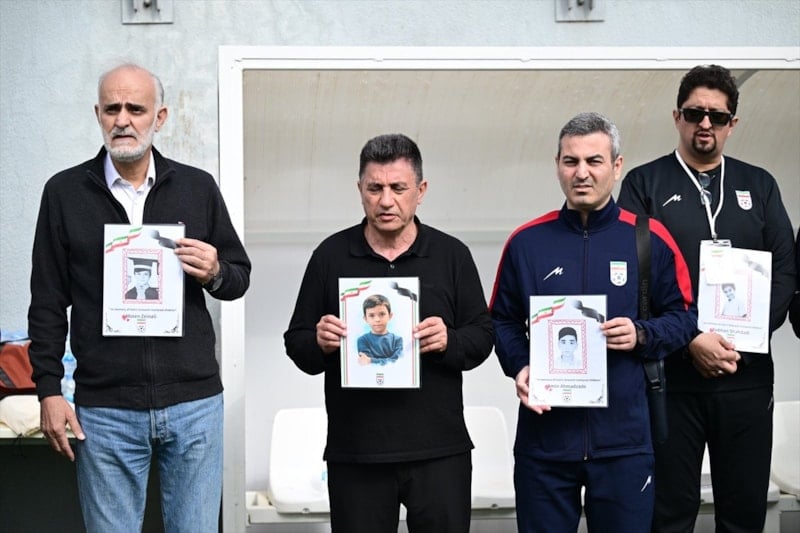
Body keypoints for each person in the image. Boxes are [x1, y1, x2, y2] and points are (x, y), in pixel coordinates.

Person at [27, 63, 251, 532]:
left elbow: (238, 277)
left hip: (194, 406)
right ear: (98, 114)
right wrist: (48, 388)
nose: (123, 120)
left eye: (136, 108)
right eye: (112, 109)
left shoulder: (197, 188)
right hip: (105, 410)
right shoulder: (64, 193)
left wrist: (215, 271)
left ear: (160, 117)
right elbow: (47, 300)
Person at [491, 112, 696, 533]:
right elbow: (502, 320)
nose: (581, 173)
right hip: (545, 444)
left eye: (594, 161)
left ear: (616, 166)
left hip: (624, 444)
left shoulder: (650, 238)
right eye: (571, 161)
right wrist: (520, 366)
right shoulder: (526, 242)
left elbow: (686, 317)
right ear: (557, 165)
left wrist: (642, 333)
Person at [284, 133, 493, 533]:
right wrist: (319, 341)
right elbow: (297, 342)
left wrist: (449, 341)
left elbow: (483, 336)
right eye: (374, 188)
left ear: (421, 191)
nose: (385, 200)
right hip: (356, 453)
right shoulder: (330, 256)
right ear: (359, 189)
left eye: (398, 188)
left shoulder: (452, 255)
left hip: (439, 450)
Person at [618, 64, 796, 532]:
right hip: (672, 377)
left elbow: (784, 269)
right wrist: (691, 339)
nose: (705, 123)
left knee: (744, 510)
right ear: (677, 116)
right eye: (695, 112)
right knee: (669, 511)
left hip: (746, 374)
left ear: (731, 123)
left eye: (717, 116)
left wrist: (742, 337)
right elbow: (634, 277)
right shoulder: (644, 184)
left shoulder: (760, 185)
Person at [357, 294, 403, 365]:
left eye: (382, 314)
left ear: (390, 316)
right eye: (371, 315)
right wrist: (388, 360)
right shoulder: (362, 340)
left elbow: (398, 362)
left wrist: (371, 360)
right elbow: (365, 363)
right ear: (365, 319)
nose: (377, 319)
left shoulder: (397, 340)